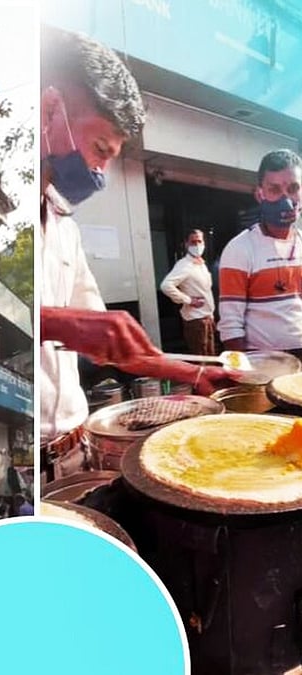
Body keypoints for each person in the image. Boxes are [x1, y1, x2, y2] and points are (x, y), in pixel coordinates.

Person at [38, 31, 227, 482]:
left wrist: (192, 374)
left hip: (75, 451)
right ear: (50, 111)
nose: (101, 171)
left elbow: (109, 346)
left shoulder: (64, 227)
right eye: (100, 149)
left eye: (112, 157)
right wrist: (61, 322)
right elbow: (60, 324)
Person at [218, 150, 302, 357]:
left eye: (293, 188)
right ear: (260, 194)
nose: (286, 199)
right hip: (264, 363)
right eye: (274, 189)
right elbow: (231, 325)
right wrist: (244, 373)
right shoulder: (239, 249)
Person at [160, 229, 216, 356]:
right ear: (186, 244)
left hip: (207, 318)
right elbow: (166, 285)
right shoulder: (184, 265)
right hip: (196, 320)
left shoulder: (201, 264)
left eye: (199, 241)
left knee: (211, 358)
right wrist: (189, 300)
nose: (197, 245)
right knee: (202, 361)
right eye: (193, 242)